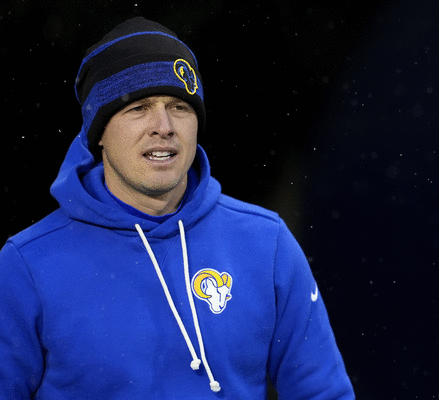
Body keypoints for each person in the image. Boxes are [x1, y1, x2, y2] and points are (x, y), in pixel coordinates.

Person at [0, 17, 354, 399]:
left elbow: (323, 391)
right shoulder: (27, 264)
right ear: (98, 132)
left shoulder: (266, 243)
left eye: (179, 106)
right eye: (139, 108)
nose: (164, 126)